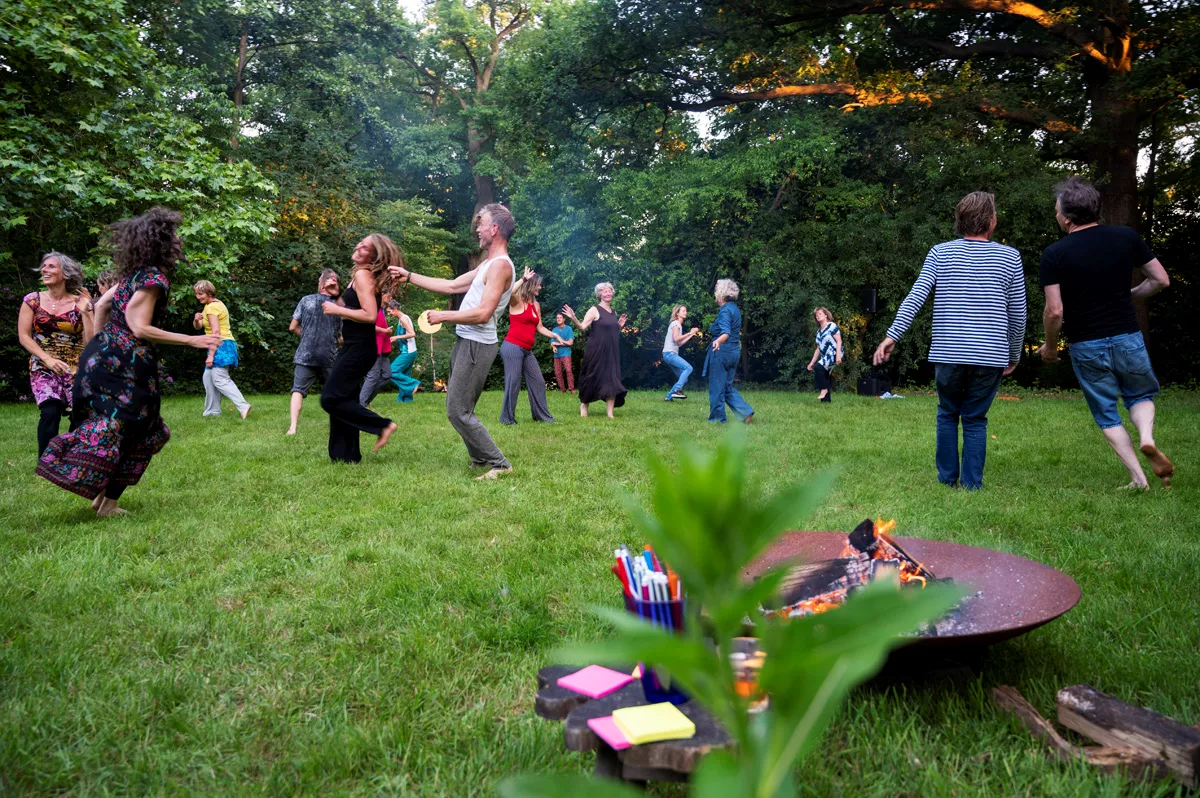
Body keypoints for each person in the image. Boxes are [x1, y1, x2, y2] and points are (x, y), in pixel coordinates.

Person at [36, 207, 222, 516]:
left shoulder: (131, 276)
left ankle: (102, 499)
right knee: (145, 431)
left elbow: (101, 306)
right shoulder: (154, 279)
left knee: (123, 426)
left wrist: (97, 345)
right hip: (130, 361)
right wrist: (192, 339)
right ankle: (99, 495)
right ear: (164, 243)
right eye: (174, 237)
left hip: (104, 355)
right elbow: (139, 326)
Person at [873, 191, 1026, 490]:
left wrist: (893, 335)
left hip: (949, 353)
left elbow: (916, 296)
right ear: (991, 221)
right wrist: (1013, 353)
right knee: (975, 419)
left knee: (947, 414)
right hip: (991, 355)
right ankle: (971, 485)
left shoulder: (940, 253)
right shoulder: (1010, 257)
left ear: (960, 221)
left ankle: (947, 481)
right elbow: (1017, 313)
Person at [1037, 177, 1174, 489]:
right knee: (1139, 394)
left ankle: (1139, 479)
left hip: (1087, 344)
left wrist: (1050, 348)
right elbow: (1161, 280)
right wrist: (1131, 295)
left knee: (1107, 413)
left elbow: (1055, 311)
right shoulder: (1125, 237)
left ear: (1067, 217)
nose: (1056, 214)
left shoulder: (1054, 254)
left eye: (1057, 210)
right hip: (1127, 337)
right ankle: (1147, 438)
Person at [389, 204, 515, 479]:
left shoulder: (501, 266)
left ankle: (500, 464)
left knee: (457, 410)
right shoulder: (489, 264)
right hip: (466, 341)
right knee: (459, 409)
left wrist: (444, 315)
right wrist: (408, 275)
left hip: (477, 344)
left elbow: (483, 313)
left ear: (494, 230)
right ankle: (480, 459)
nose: (478, 229)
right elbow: (451, 285)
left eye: (481, 224)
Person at [318, 236, 400, 463]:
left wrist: (337, 311)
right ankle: (346, 456)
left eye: (365, 247)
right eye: (360, 243)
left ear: (374, 256)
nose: (358, 247)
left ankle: (382, 425)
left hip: (360, 348)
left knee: (330, 399)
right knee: (345, 397)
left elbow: (370, 315)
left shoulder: (363, 276)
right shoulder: (360, 275)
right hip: (355, 345)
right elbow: (355, 308)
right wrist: (337, 297)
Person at [18, 252, 94, 455]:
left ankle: (71, 457)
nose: (44, 270)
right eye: (44, 266)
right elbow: (24, 336)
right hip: (43, 365)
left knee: (79, 415)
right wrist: (48, 359)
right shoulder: (32, 300)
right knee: (50, 411)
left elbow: (91, 342)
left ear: (66, 273)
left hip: (76, 367)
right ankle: (46, 462)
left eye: (51, 266)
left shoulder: (81, 302)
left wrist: (87, 312)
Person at [500, 268, 563, 424]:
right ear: (531, 284)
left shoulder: (536, 305)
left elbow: (539, 327)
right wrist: (523, 279)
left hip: (527, 350)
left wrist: (555, 335)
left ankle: (542, 416)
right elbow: (506, 292)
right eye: (538, 285)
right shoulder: (517, 300)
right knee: (513, 383)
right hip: (512, 347)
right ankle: (507, 419)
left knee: (538, 381)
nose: (540, 288)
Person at [286, 269, 342, 435]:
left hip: (306, 353)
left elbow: (292, 327)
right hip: (329, 354)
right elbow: (344, 337)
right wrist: (334, 340)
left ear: (322, 284)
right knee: (337, 391)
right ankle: (339, 427)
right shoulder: (339, 306)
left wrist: (307, 336)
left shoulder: (306, 300)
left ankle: (293, 428)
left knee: (298, 390)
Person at [563, 283, 627, 418]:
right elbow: (582, 327)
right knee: (591, 377)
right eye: (605, 291)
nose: (608, 293)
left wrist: (619, 326)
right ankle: (584, 405)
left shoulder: (613, 312)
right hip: (596, 350)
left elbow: (612, 332)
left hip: (611, 352)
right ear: (599, 295)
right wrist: (573, 317)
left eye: (610, 291)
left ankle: (610, 413)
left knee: (612, 379)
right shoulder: (594, 310)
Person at [192, 280, 251, 419]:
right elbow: (199, 326)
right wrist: (196, 320)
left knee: (220, 379)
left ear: (209, 292)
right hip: (219, 344)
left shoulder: (212, 307)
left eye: (201, 294)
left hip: (220, 345)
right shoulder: (210, 305)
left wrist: (211, 355)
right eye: (196, 294)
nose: (198, 297)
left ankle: (243, 406)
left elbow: (216, 331)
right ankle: (212, 412)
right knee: (208, 378)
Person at [704, 279, 755, 424]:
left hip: (722, 351)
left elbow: (725, 332)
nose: (714, 294)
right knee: (726, 387)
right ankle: (745, 412)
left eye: (716, 291)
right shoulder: (735, 309)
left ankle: (717, 419)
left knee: (716, 388)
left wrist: (718, 341)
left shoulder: (725, 311)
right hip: (734, 352)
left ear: (721, 294)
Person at [359, 296, 394, 407]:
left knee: (386, 375)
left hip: (382, 348)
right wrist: (384, 331)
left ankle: (365, 400)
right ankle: (361, 404)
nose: (391, 297)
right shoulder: (372, 308)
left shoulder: (381, 310)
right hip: (373, 346)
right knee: (373, 376)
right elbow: (367, 326)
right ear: (381, 295)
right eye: (389, 295)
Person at [662, 304, 699, 401]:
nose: (685, 312)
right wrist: (689, 332)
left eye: (686, 311)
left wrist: (691, 334)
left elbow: (679, 343)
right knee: (688, 368)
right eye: (683, 311)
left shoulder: (678, 325)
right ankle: (676, 390)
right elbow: (676, 338)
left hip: (669, 355)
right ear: (678, 313)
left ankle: (668, 397)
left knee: (684, 378)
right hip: (670, 354)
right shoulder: (675, 324)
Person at [806, 307, 843, 403]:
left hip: (834, 353)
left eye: (820, 314)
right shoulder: (818, 332)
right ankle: (826, 401)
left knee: (818, 368)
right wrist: (811, 363)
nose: (818, 316)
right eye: (816, 315)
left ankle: (823, 389)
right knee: (825, 374)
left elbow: (839, 341)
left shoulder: (832, 326)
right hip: (825, 356)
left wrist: (838, 356)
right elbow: (818, 349)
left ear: (826, 315)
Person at [386, 299, 420, 402]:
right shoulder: (402, 318)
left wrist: (397, 337)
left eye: (389, 311)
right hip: (410, 351)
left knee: (392, 371)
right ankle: (405, 399)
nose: (389, 314)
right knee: (405, 374)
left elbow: (412, 334)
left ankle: (413, 383)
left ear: (395, 309)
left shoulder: (403, 319)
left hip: (408, 352)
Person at [550, 312, 575, 393]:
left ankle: (572, 389)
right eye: (557, 318)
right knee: (557, 372)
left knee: (568, 370)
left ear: (564, 319)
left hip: (566, 354)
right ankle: (562, 389)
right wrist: (554, 347)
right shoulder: (554, 330)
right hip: (557, 355)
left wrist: (560, 342)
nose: (559, 319)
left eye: (560, 317)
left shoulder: (569, 329)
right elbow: (552, 343)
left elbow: (570, 343)